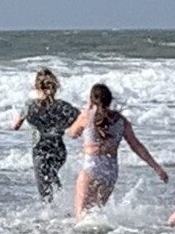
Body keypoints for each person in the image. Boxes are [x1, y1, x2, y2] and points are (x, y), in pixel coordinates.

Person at [65, 82, 168, 215]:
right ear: (110, 100)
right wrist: (157, 168)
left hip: (91, 167)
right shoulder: (121, 121)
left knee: (81, 213)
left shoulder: (86, 117)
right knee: (95, 213)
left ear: (91, 99)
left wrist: (85, 110)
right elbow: (136, 146)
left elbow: (72, 133)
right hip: (110, 171)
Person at [10, 68, 81, 201]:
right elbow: (80, 120)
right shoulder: (63, 107)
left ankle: (53, 213)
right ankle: (64, 205)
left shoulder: (30, 105)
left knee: (44, 188)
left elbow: (15, 126)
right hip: (59, 150)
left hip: (40, 151)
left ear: (36, 86)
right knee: (52, 177)